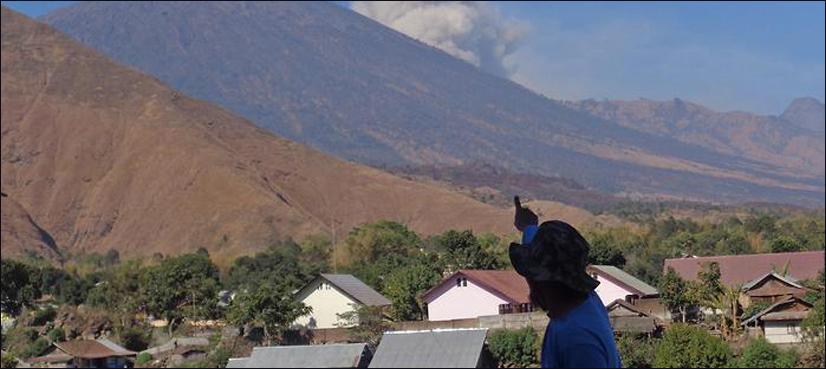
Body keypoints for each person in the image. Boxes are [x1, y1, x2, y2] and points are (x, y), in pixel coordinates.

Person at [510, 196, 621, 368]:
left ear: (544, 281)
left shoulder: (577, 342)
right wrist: (529, 225)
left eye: (531, 275)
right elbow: (546, 253)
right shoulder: (587, 299)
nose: (529, 282)